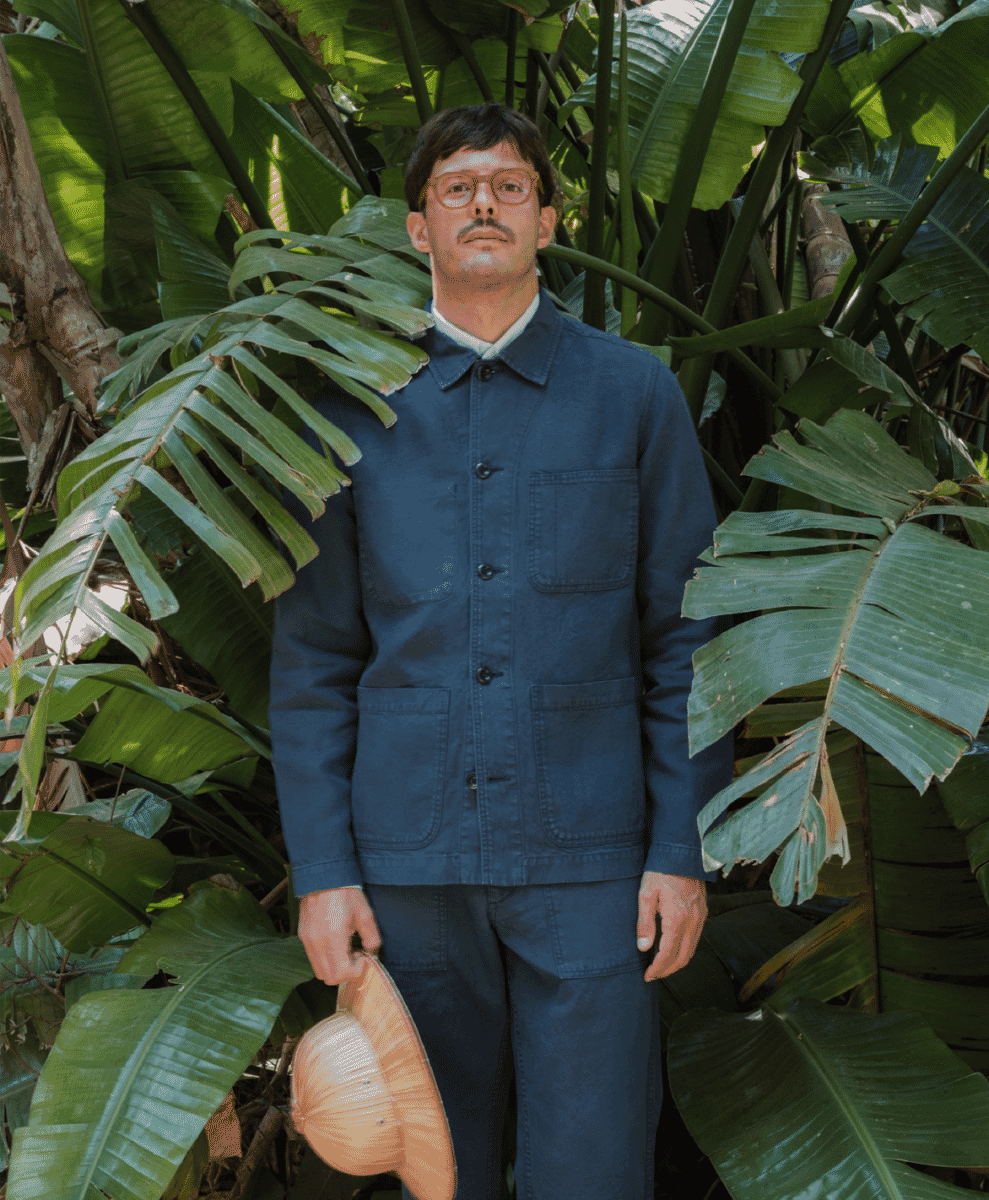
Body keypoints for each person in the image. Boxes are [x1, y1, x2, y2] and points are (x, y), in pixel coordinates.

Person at [269, 102, 731, 1200]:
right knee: (440, 1171)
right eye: (457, 187)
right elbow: (314, 662)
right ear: (418, 227)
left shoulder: (633, 394)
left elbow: (689, 642)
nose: (484, 203)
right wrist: (324, 874)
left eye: (510, 186)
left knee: (595, 1169)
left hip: (594, 863)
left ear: (546, 219)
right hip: (405, 868)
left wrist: (679, 849)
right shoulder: (347, 411)